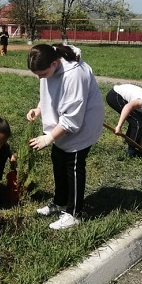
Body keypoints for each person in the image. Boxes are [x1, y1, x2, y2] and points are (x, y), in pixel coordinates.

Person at [26, 44, 105, 230]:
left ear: (54, 63)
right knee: (58, 159)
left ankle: (74, 213)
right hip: (63, 123)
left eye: (42, 74)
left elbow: (72, 120)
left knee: (74, 166)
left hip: (83, 124)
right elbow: (49, 90)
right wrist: (39, 108)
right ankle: (60, 203)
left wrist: (48, 138)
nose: (40, 78)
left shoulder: (75, 75)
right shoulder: (50, 65)